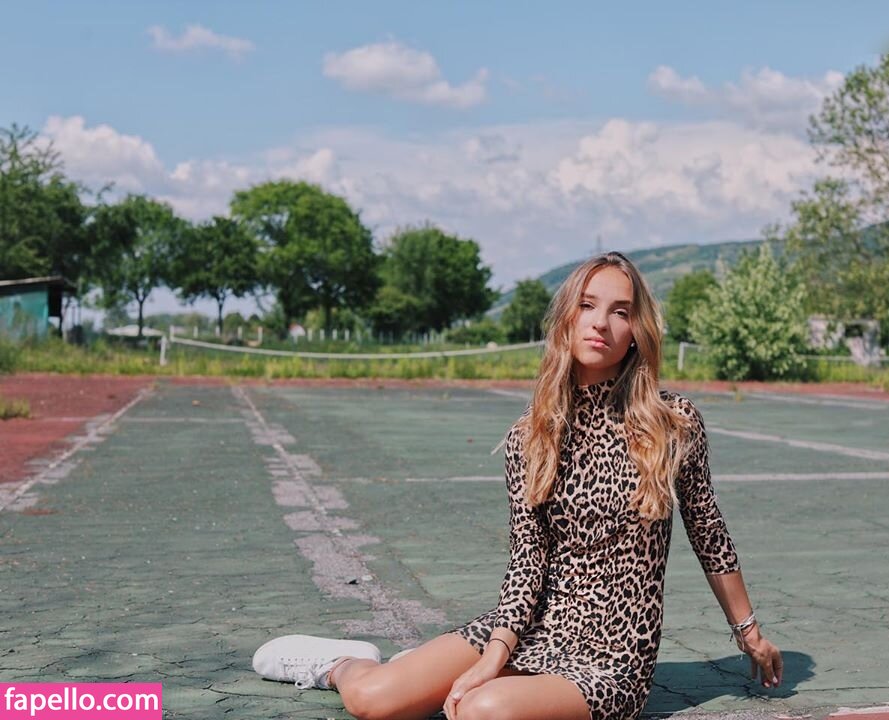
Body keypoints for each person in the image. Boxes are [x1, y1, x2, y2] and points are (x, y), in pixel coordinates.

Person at [252, 251, 783, 720]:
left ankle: (471, 682)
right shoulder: (531, 436)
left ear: (636, 330)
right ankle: (342, 662)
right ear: (567, 318)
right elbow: (528, 563)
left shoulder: (673, 422)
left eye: (620, 311)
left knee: (481, 709)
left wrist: (750, 634)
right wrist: (494, 654)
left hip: (613, 660)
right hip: (533, 625)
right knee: (372, 700)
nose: (600, 322)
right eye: (587, 305)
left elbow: (708, 531)